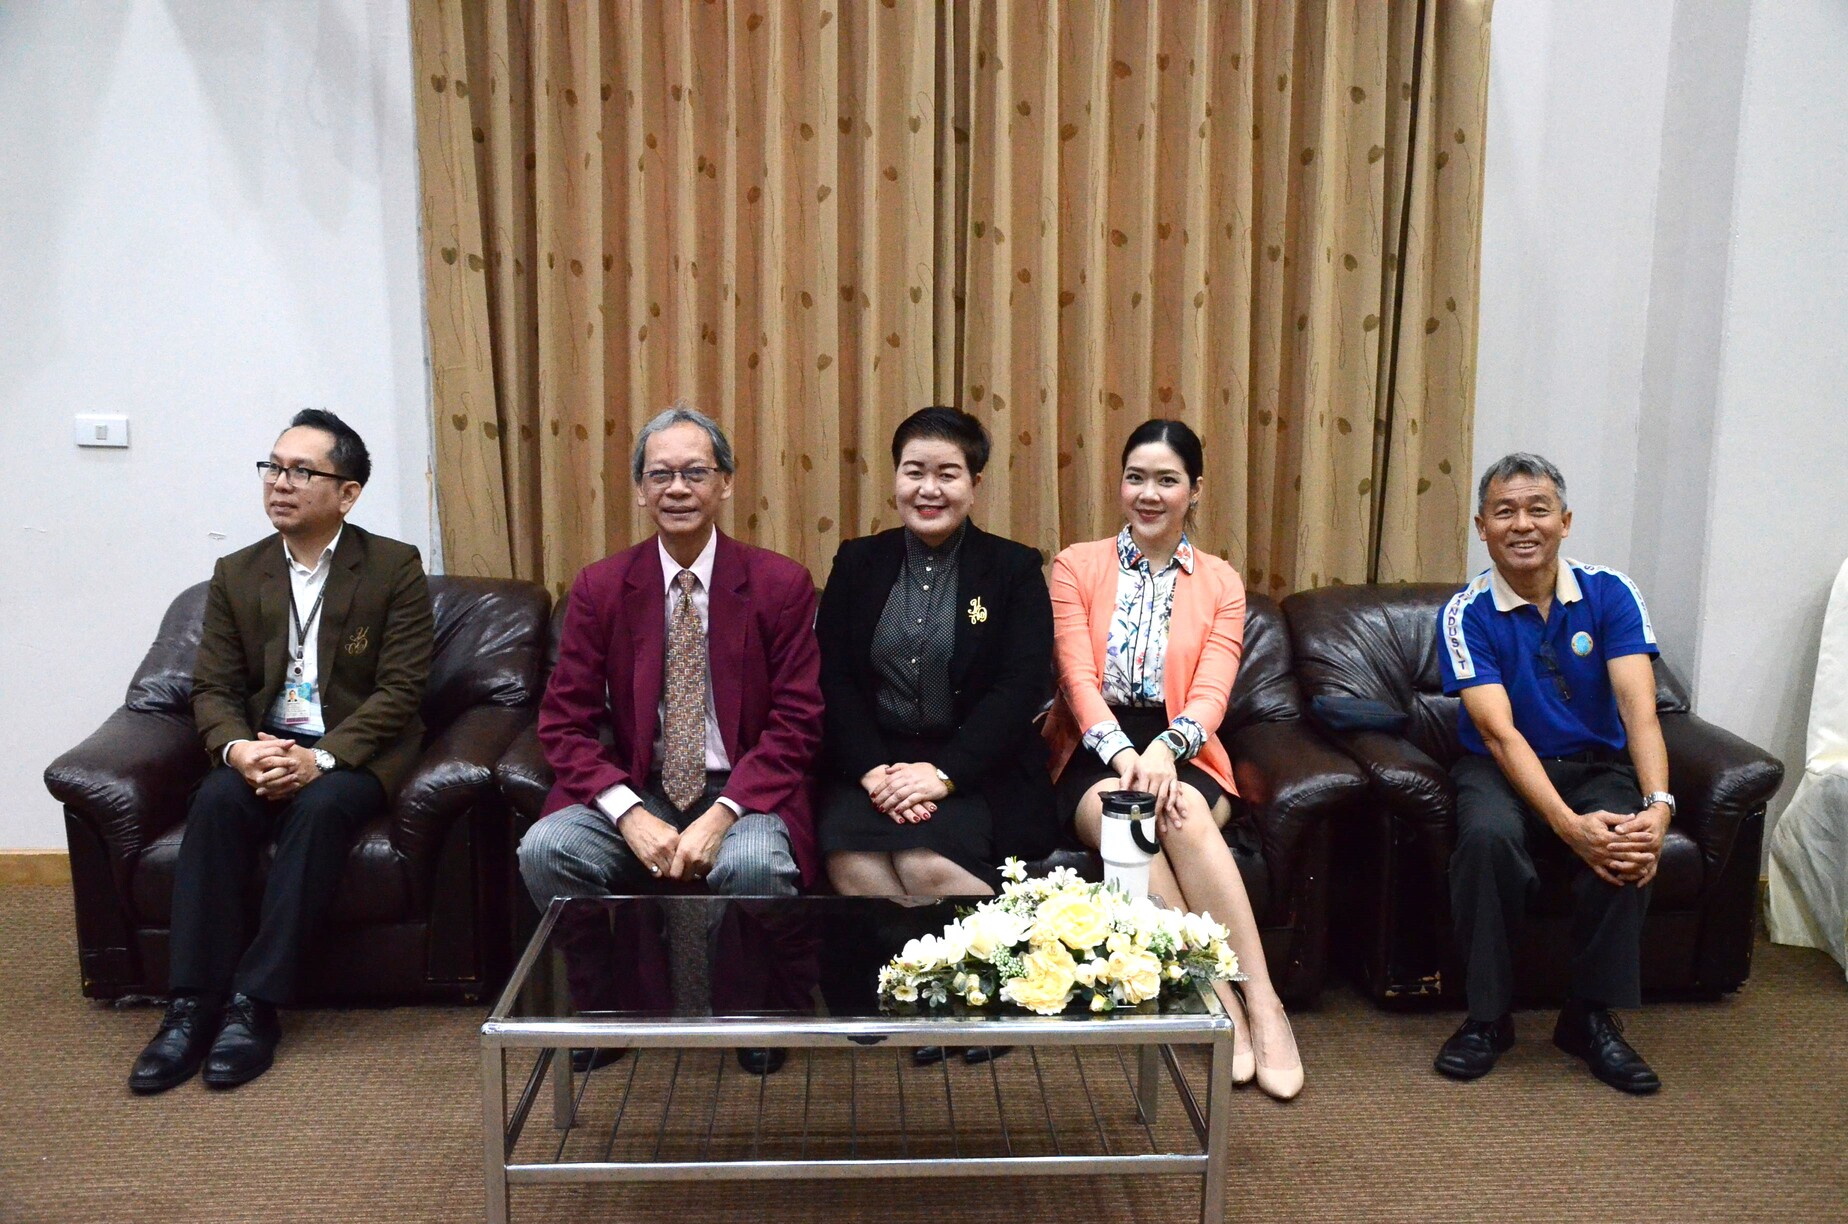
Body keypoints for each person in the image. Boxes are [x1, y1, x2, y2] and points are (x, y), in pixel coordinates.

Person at [130, 411, 434, 1094]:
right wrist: (238, 750)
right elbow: (213, 687)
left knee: (319, 810)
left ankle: (255, 1004)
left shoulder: (393, 567)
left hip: (353, 750)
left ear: (347, 493)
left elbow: (401, 691)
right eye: (272, 467)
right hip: (264, 742)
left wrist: (320, 759)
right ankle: (191, 1005)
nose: (280, 483)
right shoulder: (238, 572)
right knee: (215, 802)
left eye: (301, 471)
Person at [517, 404, 823, 1076]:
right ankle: (603, 1007)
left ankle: (758, 1007)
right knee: (546, 850)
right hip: (639, 787)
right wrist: (628, 813)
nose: (677, 489)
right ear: (639, 489)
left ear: (726, 483)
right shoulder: (602, 587)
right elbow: (563, 721)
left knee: (755, 866)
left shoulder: (779, 584)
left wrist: (723, 813)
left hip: (742, 789)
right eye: (660, 475)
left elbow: (799, 720)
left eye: (695, 473)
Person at [1044, 418, 1303, 1101]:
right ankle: (1219, 1000)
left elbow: (1213, 691)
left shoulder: (1220, 581)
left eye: (1166, 480)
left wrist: (1163, 749)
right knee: (1128, 818)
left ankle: (1264, 1002)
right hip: (1093, 749)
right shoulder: (1075, 565)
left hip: (1184, 743)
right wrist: (1125, 754)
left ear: (1195, 490)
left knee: (1180, 808)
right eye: (1136, 478)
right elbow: (1076, 679)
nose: (1148, 494)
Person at [1433, 452, 1669, 1094]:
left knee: (1628, 839)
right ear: (1481, 527)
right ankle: (1487, 1018)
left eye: (1538, 509)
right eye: (1504, 511)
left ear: (1565, 521)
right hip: (1499, 770)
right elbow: (1499, 734)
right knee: (1487, 839)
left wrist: (1659, 806)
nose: (1522, 524)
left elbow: (1640, 712)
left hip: (1595, 765)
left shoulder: (1611, 593)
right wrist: (1567, 826)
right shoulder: (1465, 613)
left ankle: (1589, 1018)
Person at [816, 407, 1059, 898]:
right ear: (896, 478)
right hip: (875, 764)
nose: (929, 489)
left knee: (924, 865)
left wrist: (944, 775)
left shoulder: (1014, 568)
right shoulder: (857, 562)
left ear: (974, 483)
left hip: (978, 767)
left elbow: (1020, 687)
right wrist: (873, 773)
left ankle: (1016, 947)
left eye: (947, 475)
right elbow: (832, 677)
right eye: (915, 472)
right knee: (852, 866)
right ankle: (906, 958)